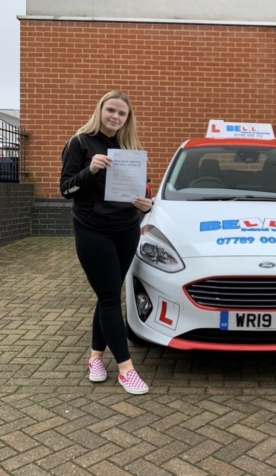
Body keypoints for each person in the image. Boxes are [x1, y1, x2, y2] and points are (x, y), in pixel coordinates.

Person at [60, 90, 152, 395]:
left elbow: (141, 189)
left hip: (126, 228)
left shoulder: (130, 148)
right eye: (110, 110)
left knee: (107, 294)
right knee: (112, 298)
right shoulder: (79, 143)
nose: (115, 116)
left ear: (127, 118)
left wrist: (145, 204)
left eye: (121, 113)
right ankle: (126, 368)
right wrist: (91, 170)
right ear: (100, 110)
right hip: (92, 230)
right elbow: (66, 190)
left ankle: (95, 358)